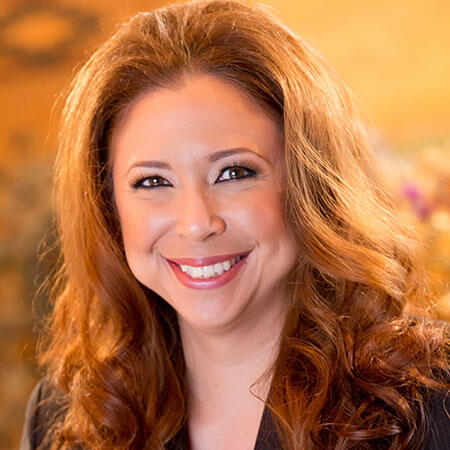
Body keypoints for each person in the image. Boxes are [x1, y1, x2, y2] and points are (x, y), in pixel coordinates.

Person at [21, 0, 449, 448]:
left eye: (234, 173)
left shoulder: (436, 398)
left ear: (308, 183)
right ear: (109, 206)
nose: (196, 223)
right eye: (152, 181)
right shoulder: (62, 418)